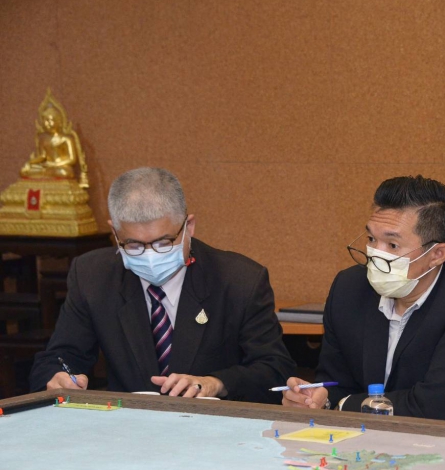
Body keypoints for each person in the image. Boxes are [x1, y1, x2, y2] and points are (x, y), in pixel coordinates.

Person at [29, 167, 295, 402]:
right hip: (126, 427)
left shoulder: (240, 280)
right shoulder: (93, 276)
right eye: (133, 244)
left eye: (164, 242)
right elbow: (59, 357)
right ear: (115, 233)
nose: (150, 255)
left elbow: (275, 369)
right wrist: (58, 377)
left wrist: (217, 383)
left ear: (189, 226)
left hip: (214, 428)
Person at [282, 176, 445, 426]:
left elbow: (434, 406)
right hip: (366, 439)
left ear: (437, 254)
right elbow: (335, 382)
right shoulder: (349, 289)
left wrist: (342, 405)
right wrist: (318, 399)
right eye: (371, 239)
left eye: (392, 245)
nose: (376, 255)